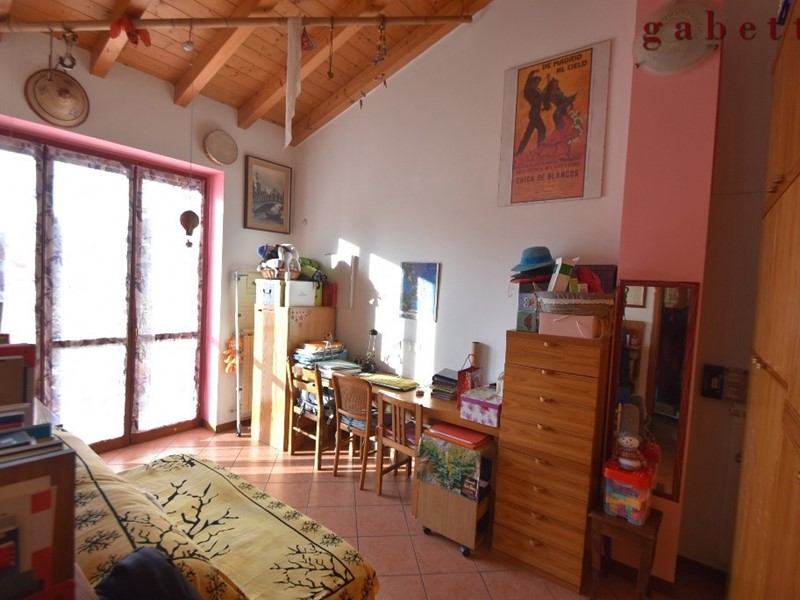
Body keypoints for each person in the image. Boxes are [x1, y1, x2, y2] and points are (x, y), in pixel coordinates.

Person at [515, 71, 547, 155]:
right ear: (531, 82)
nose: (537, 84)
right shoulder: (529, 91)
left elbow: (542, 98)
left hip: (535, 114)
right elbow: (534, 101)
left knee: (528, 134)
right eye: (536, 82)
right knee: (542, 129)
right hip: (534, 114)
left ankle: (519, 152)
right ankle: (540, 150)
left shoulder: (537, 90)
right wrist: (531, 73)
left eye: (538, 82)